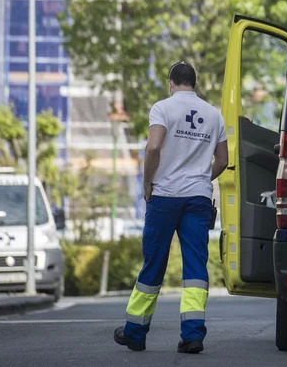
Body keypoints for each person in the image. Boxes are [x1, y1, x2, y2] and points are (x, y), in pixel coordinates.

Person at [114, 61, 228, 354]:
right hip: (198, 199)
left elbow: (153, 148)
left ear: (171, 82)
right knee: (194, 266)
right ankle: (193, 336)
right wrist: (201, 177)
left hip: (164, 197)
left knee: (153, 263)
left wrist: (147, 184)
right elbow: (223, 160)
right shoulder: (214, 114)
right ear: (195, 83)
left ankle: (136, 333)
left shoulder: (162, 108)